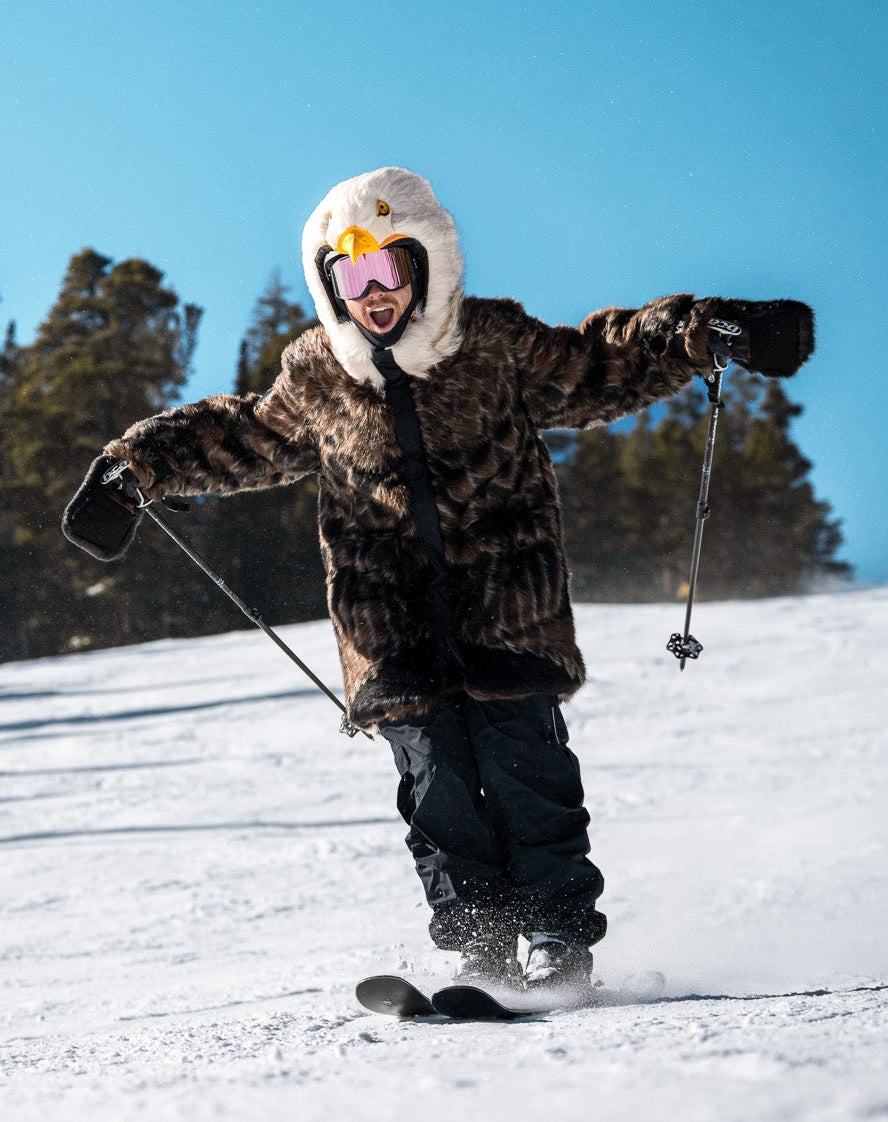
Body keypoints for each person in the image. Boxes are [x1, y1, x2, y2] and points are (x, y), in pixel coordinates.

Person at [63, 167, 814, 993]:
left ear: (426, 266)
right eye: (351, 278)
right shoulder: (319, 377)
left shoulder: (491, 344)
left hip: (506, 605)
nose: (373, 294)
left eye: (390, 270)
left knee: (525, 768)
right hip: (388, 625)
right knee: (435, 787)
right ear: (331, 288)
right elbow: (243, 433)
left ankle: (556, 939)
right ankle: (482, 946)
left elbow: (604, 360)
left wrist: (704, 333)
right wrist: (134, 467)